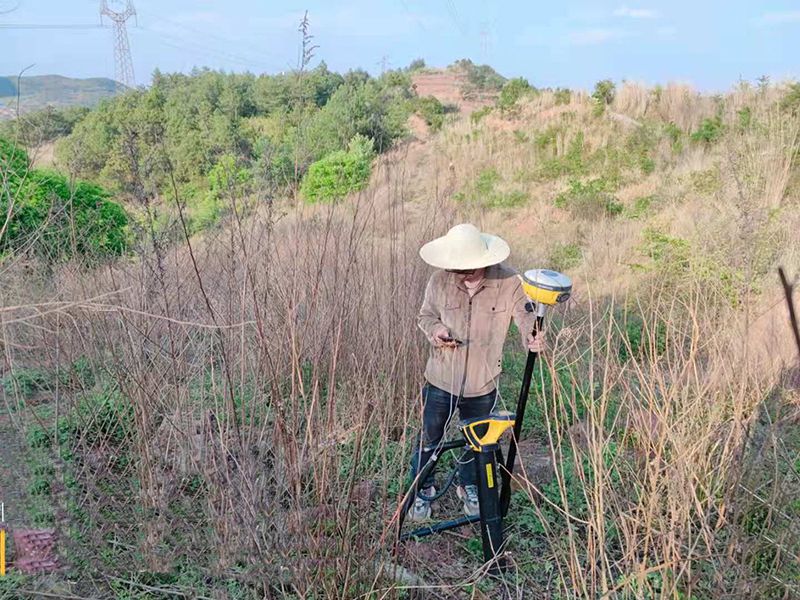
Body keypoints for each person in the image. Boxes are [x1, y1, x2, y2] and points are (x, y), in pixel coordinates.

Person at [409, 223, 544, 521]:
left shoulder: (509, 281)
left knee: (479, 440)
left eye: (468, 268)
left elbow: (525, 315)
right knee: (429, 438)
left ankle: (468, 485)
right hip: (441, 379)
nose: (461, 273)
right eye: (457, 268)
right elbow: (425, 315)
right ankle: (423, 489)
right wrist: (437, 330)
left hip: (482, 383)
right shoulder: (439, 281)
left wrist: (531, 336)